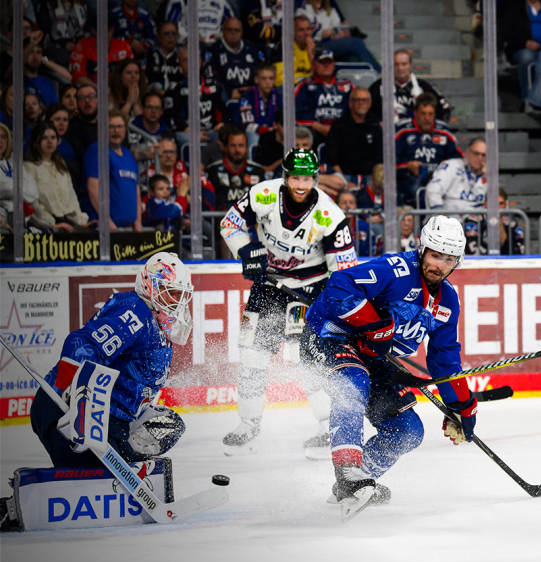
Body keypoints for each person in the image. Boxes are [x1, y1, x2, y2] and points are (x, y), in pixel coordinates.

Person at [300, 215, 477, 518]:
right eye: (435, 255)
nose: (440, 265)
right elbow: (339, 286)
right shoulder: (397, 270)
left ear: (457, 261)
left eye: (449, 259)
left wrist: (461, 404)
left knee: (408, 431)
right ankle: (349, 475)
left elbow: (444, 357)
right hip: (329, 336)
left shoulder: (448, 301)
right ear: (422, 249)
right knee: (353, 382)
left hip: (373, 357)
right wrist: (375, 325)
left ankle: (359, 482)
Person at [218, 148, 359, 457]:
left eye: (307, 179)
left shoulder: (329, 215)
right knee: (252, 352)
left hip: (309, 289)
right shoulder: (263, 195)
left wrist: (330, 302)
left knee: (304, 355)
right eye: (295, 178)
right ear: (285, 177)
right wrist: (246, 250)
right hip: (269, 284)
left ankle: (327, 426)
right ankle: (249, 423)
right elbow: (229, 224)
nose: (300, 185)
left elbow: (344, 270)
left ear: (315, 179)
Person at [27, 253, 192, 468]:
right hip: (65, 407)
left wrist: (137, 414)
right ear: (150, 286)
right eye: (170, 292)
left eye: (180, 294)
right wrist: (74, 394)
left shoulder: (154, 323)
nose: (176, 300)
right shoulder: (135, 313)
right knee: (95, 481)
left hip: (103, 417)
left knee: (163, 436)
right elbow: (83, 343)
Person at [395, 93, 462, 208]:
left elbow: (460, 161)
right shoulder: (402, 131)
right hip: (409, 180)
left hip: (440, 180)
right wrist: (407, 166)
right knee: (417, 190)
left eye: (430, 114)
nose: (427, 118)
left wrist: (448, 164)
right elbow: (387, 164)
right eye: (423, 114)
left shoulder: (444, 132)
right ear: (415, 113)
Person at [25, 122, 88, 232]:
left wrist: (81, 221)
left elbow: (72, 198)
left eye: (53, 137)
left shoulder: (61, 165)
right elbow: (31, 203)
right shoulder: (28, 167)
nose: (50, 141)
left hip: (67, 224)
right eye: (44, 138)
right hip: (43, 228)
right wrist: (51, 224)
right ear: (35, 143)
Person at [84, 111, 141, 231]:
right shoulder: (98, 150)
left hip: (127, 230)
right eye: (111, 127)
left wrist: (138, 221)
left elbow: (136, 189)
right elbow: (93, 187)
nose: (116, 131)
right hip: (104, 229)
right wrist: (106, 220)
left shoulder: (128, 155)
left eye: (120, 127)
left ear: (125, 130)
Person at [499, 0, 541, 100]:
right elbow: (506, 32)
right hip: (523, 48)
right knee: (527, 57)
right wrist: (525, 42)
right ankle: (528, 98)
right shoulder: (514, 9)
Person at [370, 51, 452, 124]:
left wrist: (432, 127)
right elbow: (366, 112)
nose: (400, 68)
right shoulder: (378, 87)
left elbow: (444, 108)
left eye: (404, 64)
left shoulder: (424, 87)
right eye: (396, 64)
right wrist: (378, 125)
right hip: (387, 134)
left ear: (410, 65)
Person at [205, 124, 270, 212]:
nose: (237, 150)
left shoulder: (258, 172)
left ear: (246, 148)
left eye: (241, 145)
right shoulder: (212, 171)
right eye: (233, 145)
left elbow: (267, 205)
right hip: (222, 219)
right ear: (226, 147)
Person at [295, 48, 353, 146]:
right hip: (314, 131)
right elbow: (296, 113)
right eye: (322, 62)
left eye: (329, 62)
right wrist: (318, 126)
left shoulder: (347, 84)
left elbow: (355, 109)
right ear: (314, 64)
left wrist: (339, 128)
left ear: (333, 65)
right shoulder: (304, 85)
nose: (326, 65)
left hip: (342, 130)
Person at [297, 0, 380, 69]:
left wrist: (337, 34)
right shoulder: (304, 6)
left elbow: (337, 26)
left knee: (351, 57)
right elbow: (304, 29)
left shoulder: (330, 9)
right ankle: (377, 71)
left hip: (331, 43)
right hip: (314, 45)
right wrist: (327, 36)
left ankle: (368, 75)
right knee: (356, 43)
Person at [325, 87, 382, 182]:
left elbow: (380, 157)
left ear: (370, 103)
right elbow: (331, 158)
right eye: (357, 100)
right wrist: (344, 182)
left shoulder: (375, 125)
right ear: (350, 103)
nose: (361, 103)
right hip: (346, 176)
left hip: (371, 177)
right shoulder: (339, 125)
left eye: (364, 100)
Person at [203, 16, 267, 100]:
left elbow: (264, 74)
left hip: (252, 95)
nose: (233, 33)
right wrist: (229, 91)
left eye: (237, 30)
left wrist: (252, 89)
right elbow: (210, 78)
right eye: (229, 30)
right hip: (225, 98)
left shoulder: (253, 49)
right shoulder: (214, 50)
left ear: (242, 32)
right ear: (223, 30)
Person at [0, 123, 46, 233]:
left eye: (3, 137)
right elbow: (5, 188)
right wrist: (23, 187)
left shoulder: (13, 164)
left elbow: (33, 193)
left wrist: (18, 189)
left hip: (21, 220)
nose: (0, 140)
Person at [232, 63, 280, 149]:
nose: (268, 82)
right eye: (263, 78)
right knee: (252, 135)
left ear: (275, 80)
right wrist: (264, 130)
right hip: (256, 132)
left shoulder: (279, 97)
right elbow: (246, 125)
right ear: (256, 80)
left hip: (275, 132)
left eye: (271, 78)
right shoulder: (248, 97)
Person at [68, 24, 135, 84]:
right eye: (101, 30)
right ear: (93, 30)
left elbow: (132, 75)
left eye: (108, 30)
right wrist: (99, 90)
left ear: (112, 29)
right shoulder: (81, 46)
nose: (105, 34)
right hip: (91, 91)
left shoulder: (124, 46)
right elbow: (77, 77)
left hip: (118, 90)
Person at [162, 0, 234, 46]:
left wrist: (217, 37)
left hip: (215, 48)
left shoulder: (222, 2)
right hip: (187, 47)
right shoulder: (179, 1)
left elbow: (231, 25)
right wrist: (188, 37)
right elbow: (170, 26)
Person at [24, 42, 72, 107]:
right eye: (31, 52)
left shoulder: (47, 83)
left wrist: (44, 60)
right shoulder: (17, 79)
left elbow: (68, 77)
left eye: (38, 52)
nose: (35, 57)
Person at [272, 15, 315, 87]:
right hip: (291, 86)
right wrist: (301, 83)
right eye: (301, 30)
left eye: (308, 29)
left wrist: (311, 53)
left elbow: (321, 76)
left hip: (312, 86)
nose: (306, 33)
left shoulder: (317, 48)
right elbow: (279, 78)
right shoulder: (283, 48)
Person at [145, 21, 181, 92]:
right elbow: (147, 80)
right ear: (159, 36)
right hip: (155, 95)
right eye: (166, 33)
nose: (170, 37)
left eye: (173, 33)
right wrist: (159, 91)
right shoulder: (150, 54)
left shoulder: (181, 55)